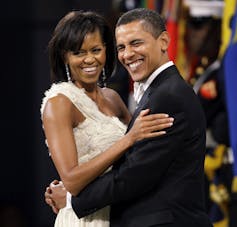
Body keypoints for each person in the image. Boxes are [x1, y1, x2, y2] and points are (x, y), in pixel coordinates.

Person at [45, 8, 213, 226]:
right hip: (89, 216)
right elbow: (128, 154)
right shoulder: (59, 102)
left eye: (136, 43)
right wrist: (69, 196)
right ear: (65, 56)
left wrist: (69, 199)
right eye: (122, 47)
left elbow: (134, 171)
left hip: (124, 211)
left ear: (163, 41)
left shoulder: (162, 96)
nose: (127, 54)